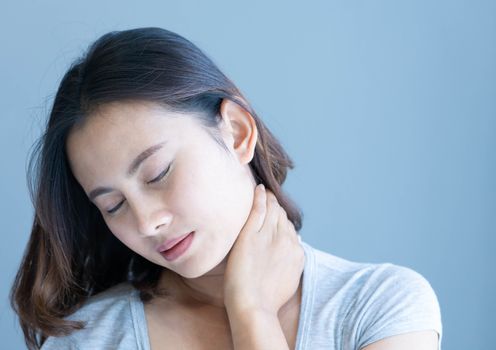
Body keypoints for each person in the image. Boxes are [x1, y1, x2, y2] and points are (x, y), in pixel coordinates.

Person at [10, 27, 442, 350]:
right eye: (113, 204)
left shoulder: (379, 306)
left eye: (158, 173)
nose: (147, 222)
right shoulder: (90, 339)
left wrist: (251, 312)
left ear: (236, 132)